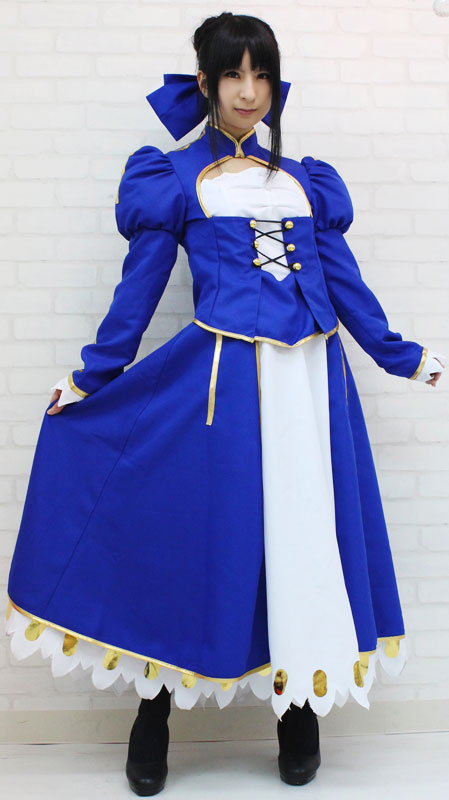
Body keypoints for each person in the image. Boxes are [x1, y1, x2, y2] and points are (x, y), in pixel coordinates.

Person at [5, 11, 447, 796]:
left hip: (311, 386)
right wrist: (91, 378)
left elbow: (343, 286)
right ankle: (153, 715)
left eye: (262, 74)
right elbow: (138, 292)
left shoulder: (306, 180)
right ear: (205, 83)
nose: (249, 91)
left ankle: (297, 711)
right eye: (234, 75)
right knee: (193, 539)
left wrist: (401, 355)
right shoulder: (173, 177)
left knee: (302, 541)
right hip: (220, 392)